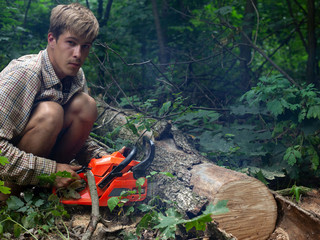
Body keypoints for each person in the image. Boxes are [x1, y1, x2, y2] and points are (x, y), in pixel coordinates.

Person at [0, 3, 107, 203]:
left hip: (35, 175)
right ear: (52, 39)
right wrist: (50, 171)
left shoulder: (76, 75)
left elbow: (74, 137)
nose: (78, 54)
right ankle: (9, 199)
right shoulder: (24, 74)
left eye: (85, 47)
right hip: (4, 179)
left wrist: (103, 159)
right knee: (51, 113)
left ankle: (41, 195)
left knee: (86, 106)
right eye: (71, 43)